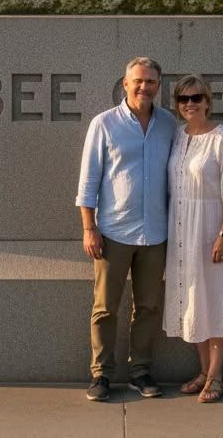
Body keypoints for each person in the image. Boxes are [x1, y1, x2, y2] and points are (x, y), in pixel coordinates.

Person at [76, 57, 176, 402]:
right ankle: (101, 374)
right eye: (138, 81)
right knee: (105, 307)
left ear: (158, 87)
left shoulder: (169, 124)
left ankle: (140, 371)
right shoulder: (104, 124)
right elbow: (88, 182)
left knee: (148, 307)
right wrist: (89, 228)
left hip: (156, 234)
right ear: (125, 83)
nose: (144, 87)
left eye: (150, 82)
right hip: (113, 233)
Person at [163, 74, 223, 404]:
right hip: (183, 228)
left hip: (214, 227)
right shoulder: (178, 137)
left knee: (217, 299)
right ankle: (202, 372)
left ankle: (216, 375)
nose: (189, 104)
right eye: (183, 99)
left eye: (196, 97)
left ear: (208, 101)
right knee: (194, 300)